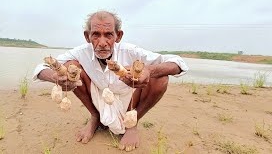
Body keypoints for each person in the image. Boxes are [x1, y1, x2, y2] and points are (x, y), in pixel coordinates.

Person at [33, 10, 188, 152]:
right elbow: (40, 68)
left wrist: (149, 70)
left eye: (108, 35)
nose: (102, 42)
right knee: (70, 66)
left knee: (160, 78)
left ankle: (132, 125)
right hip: (98, 96)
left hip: (128, 99)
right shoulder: (81, 52)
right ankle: (94, 117)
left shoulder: (131, 51)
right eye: (96, 35)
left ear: (118, 36)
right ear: (87, 37)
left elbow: (179, 63)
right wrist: (55, 77)